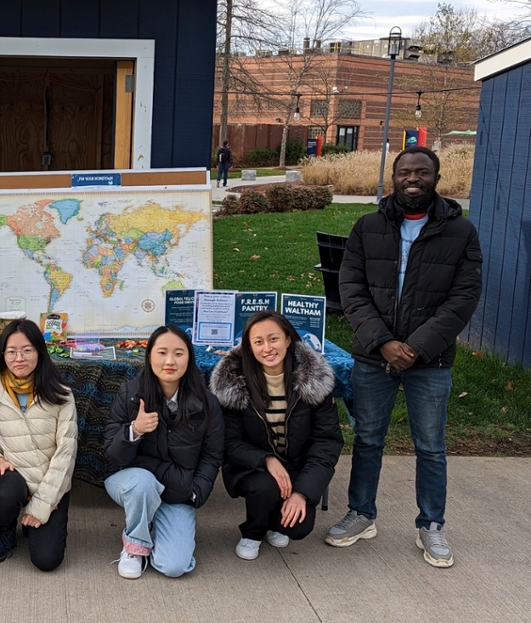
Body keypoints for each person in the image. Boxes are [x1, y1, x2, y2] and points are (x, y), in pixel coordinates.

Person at [326, 146, 482, 568]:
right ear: (393, 177)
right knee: (369, 438)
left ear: (435, 177)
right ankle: (362, 514)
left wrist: (416, 347)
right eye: (405, 172)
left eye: (422, 172)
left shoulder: (460, 232)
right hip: (373, 356)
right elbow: (351, 289)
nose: (413, 178)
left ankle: (431, 525)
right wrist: (383, 343)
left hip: (428, 361)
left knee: (430, 446)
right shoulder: (367, 226)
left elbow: (464, 296)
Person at [210, 311, 343, 560]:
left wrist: (302, 493)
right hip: (253, 466)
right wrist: (266, 460)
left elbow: (327, 443)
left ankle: (275, 523)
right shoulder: (236, 384)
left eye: (274, 339)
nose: (267, 348)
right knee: (265, 488)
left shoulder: (313, 382)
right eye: (258, 342)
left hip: (298, 467)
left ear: (288, 339)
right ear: (249, 347)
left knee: (298, 527)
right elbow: (229, 442)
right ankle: (253, 531)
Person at [104, 325, 225, 579]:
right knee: (143, 482)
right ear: (149, 357)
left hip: (179, 491)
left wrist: (196, 493)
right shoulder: (130, 394)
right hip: (132, 483)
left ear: (189, 358)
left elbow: (212, 455)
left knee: (174, 566)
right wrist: (134, 430)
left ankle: (152, 520)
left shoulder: (207, 403)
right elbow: (113, 455)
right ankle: (135, 545)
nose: (169, 361)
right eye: (162, 353)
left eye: (178, 353)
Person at [0, 319, 78, 571]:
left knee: (46, 561)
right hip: (14, 477)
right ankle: (6, 530)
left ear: (39, 352)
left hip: (50, 483)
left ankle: (32, 521)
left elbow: (66, 455)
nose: (19, 358)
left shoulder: (61, 395)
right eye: (11, 351)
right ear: (2, 355)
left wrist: (41, 506)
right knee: (6, 487)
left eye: (27, 350)